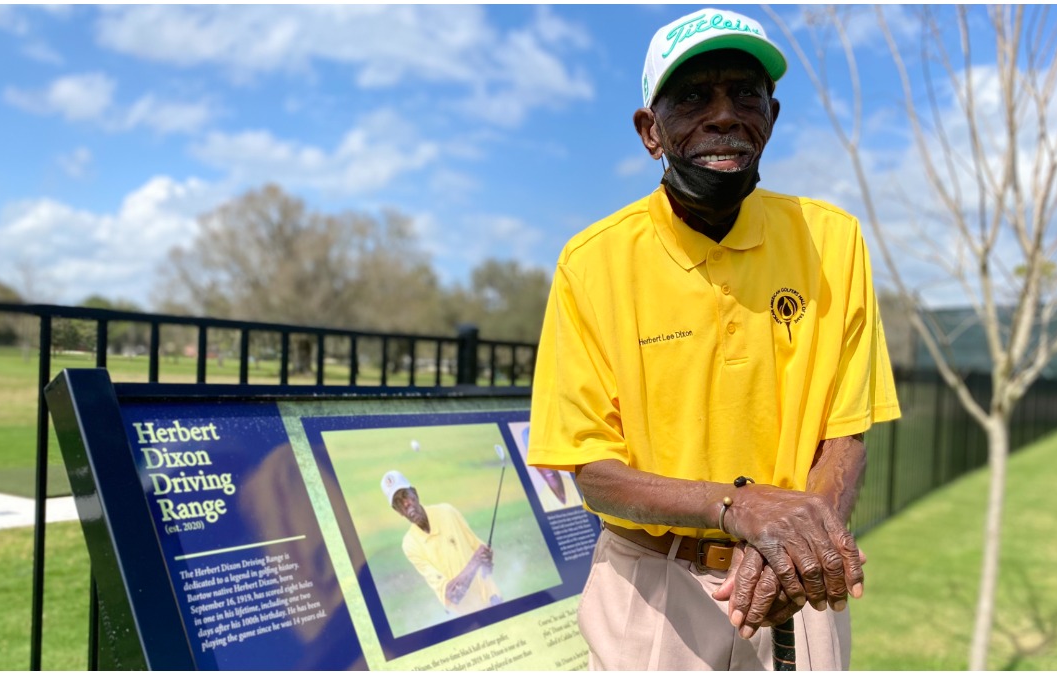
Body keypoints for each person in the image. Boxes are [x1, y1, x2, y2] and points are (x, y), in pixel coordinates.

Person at [527, 7, 901, 671]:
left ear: (772, 118)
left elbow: (846, 437)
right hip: (652, 590)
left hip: (794, 586)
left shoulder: (832, 242)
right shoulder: (593, 263)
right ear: (651, 131)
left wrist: (796, 543)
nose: (724, 114)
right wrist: (736, 507)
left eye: (745, 94)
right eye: (694, 96)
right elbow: (592, 470)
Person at [381, 470, 502, 616]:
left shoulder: (447, 512)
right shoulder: (410, 545)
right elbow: (453, 595)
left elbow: (484, 559)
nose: (406, 503)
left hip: (492, 600)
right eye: (398, 503)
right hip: (467, 618)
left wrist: (486, 559)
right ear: (397, 511)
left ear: (415, 493)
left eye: (405, 495)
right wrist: (476, 561)